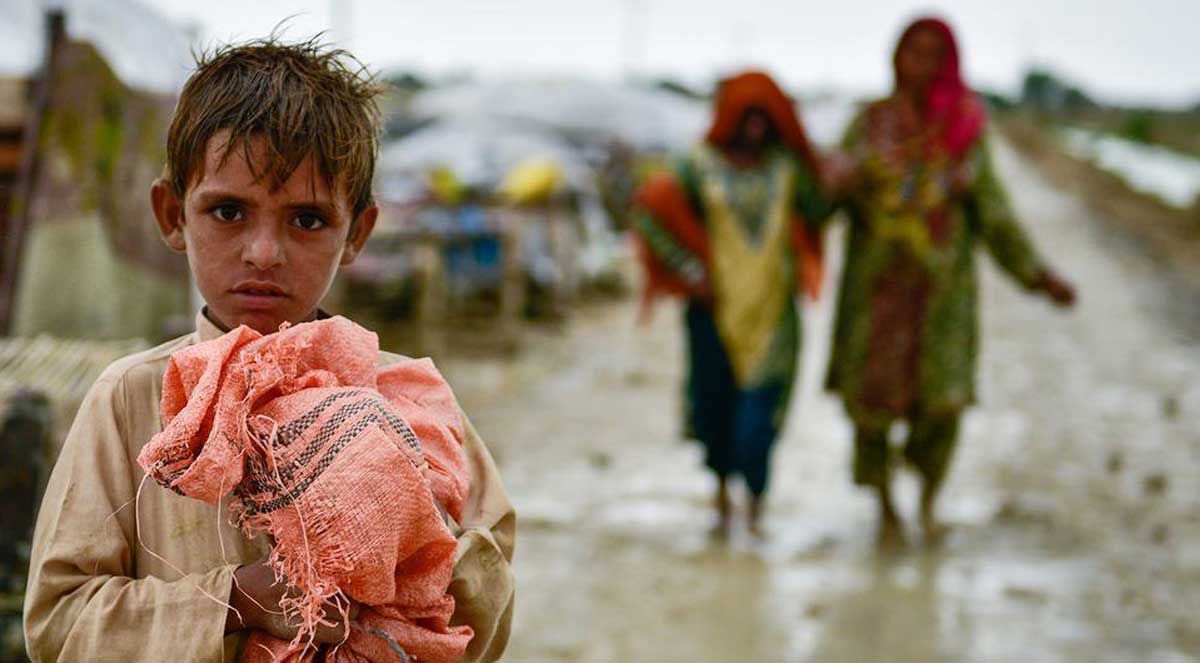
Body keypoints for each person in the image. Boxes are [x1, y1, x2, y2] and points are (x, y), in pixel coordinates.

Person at [23, 37, 514, 662]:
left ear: (357, 233)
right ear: (173, 215)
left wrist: (413, 546)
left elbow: (487, 610)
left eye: (307, 220)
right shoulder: (130, 400)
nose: (264, 252)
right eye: (228, 211)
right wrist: (236, 602)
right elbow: (58, 623)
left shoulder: (407, 402)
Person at [825, 17, 1076, 543]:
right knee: (870, 408)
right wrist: (833, 181)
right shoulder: (868, 125)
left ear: (949, 62)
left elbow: (995, 215)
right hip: (876, 297)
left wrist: (1038, 276)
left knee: (941, 407)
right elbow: (824, 199)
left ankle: (928, 498)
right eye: (911, 51)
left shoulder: (964, 131)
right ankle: (886, 507)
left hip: (941, 300)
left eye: (932, 53)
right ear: (894, 58)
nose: (920, 63)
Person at [633, 71, 830, 537]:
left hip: (773, 314)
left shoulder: (788, 169)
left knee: (758, 422)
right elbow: (649, 212)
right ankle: (722, 501)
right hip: (712, 314)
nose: (755, 128)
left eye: (765, 117)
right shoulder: (696, 167)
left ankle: (756, 508)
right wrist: (691, 273)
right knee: (716, 410)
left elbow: (820, 209)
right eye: (747, 116)